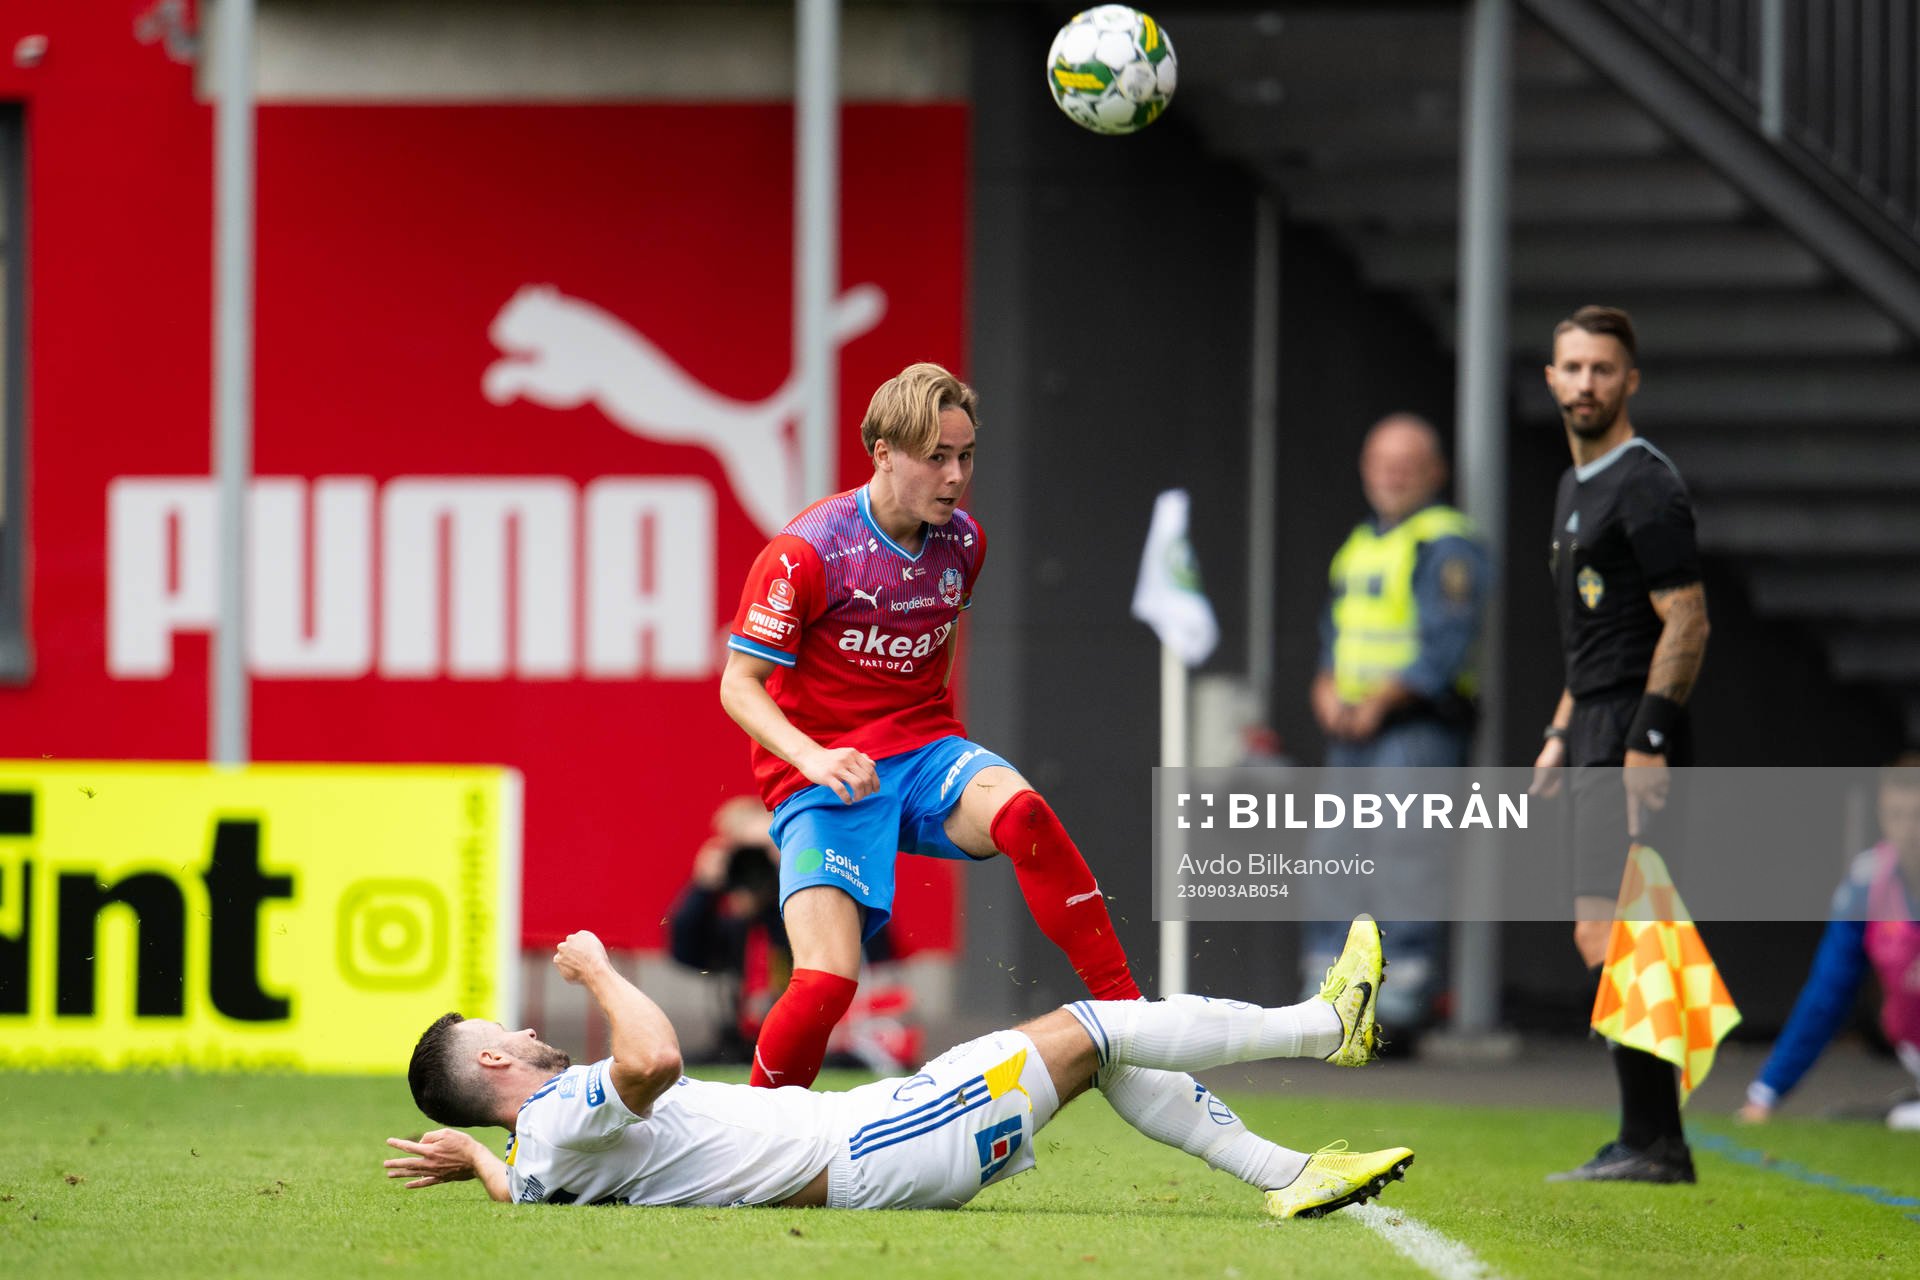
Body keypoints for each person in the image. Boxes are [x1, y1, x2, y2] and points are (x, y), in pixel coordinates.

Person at [718, 362, 1145, 1090]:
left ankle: (1130, 1015)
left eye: (966, 455)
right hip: (825, 775)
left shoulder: (964, 544)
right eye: (936, 457)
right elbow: (739, 685)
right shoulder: (806, 551)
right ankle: (749, 1140)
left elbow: (939, 641)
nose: (956, 476)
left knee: (1025, 814)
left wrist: (928, 731)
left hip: (920, 748)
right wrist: (813, 758)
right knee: (825, 986)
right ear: (883, 452)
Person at [384, 917, 1413, 1218]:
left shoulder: (540, 1150)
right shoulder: (560, 1113)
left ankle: (1286, 1171)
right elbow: (652, 1053)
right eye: (504, 1030)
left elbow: (524, 1183)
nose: (524, 1026)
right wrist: (601, 968)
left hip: (877, 1138)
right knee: (1093, 1025)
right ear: (490, 1058)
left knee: (1095, 1050)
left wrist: (475, 1162)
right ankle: (1326, 1025)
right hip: (877, 1143)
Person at [1529, 305, 1712, 1183]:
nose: (1586, 383)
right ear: (1552, 377)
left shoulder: (1645, 483)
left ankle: (1654, 1140)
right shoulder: (1575, 487)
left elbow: (1688, 619)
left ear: (1629, 380)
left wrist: (1646, 739)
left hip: (1636, 732)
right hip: (1595, 725)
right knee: (1604, 930)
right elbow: (1589, 640)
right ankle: (1648, 1134)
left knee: (1627, 931)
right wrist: (1562, 731)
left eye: (1603, 368)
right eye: (1573, 367)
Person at [1303, 413, 1488, 1039]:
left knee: (1406, 856)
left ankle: (1400, 1000)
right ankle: (1328, 995)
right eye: (1383, 463)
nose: (1393, 476)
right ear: (1365, 469)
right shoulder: (1361, 543)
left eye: (1407, 465)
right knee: (1335, 854)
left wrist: (1379, 700)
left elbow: (1445, 646)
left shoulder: (1446, 542)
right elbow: (1336, 633)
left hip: (1414, 726)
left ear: (1435, 472)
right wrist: (1326, 686)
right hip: (1355, 726)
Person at [1738, 756, 1920, 1131]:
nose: (1909, 829)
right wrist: (1766, 1092)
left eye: (1918, 814)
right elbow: (1827, 994)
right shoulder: (1867, 884)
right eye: (1897, 814)